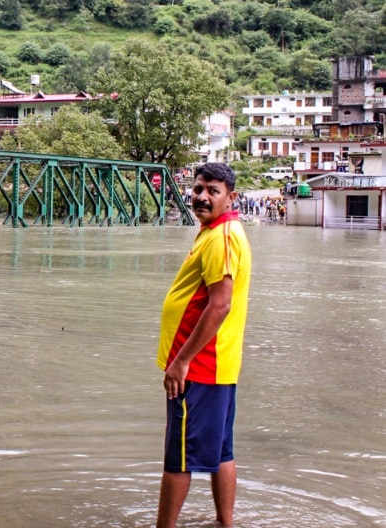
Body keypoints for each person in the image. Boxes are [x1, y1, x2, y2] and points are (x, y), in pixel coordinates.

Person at [156, 163, 251, 528]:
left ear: (231, 196)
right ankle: (225, 523)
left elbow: (220, 304)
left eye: (213, 190)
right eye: (198, 189)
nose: (202, 197)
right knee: (220, 451)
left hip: (198, 367)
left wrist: (181, 362)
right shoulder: (217, 232)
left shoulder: (222, 238)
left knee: (179, 456)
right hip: (218, 364)